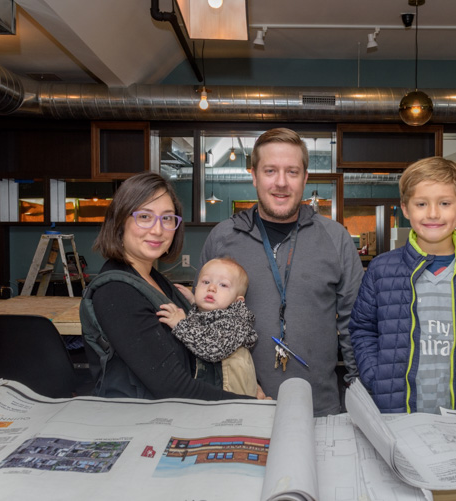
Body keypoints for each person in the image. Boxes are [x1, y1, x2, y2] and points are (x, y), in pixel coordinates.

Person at [200, 127, 364, 417]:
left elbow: (355, 325)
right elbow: (202, 320)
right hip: (236, 405)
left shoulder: (336, 238)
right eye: (270, 171)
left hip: (318, 407)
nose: (281, 183)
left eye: (292, 171)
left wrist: (358, 392)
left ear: (305, 178)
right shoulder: (222, 238)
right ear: (253, 176)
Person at [349, 156, 456, 414]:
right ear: (405, 209)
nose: (433, 213)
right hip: (395, 411)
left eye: (445, 203)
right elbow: (362, 329)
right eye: (422, 203)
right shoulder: (382, 270)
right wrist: (374, 375)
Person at [79, 172, 252, 401]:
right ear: (120, 222)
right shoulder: (117, 293)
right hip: (138, 422)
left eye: (167, 218)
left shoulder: (157, 281)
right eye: (144, 216)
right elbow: (173, 388)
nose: (158, 230)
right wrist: (249, 405)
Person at [156, 257, 259, 397]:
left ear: (237, 301)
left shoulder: (236, 323)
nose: (211, 288)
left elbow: (212, 348)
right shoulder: (214, 313)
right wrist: (193, 301)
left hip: (232, 399)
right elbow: (207, 321)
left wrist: (181, 324)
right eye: (205, 282)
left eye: (223, 285)